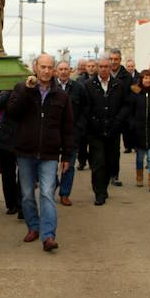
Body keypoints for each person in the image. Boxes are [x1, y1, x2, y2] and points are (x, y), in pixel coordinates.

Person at [7, 54, 74, 251]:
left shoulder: (61, 95)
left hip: (49, 153)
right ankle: (33, 227)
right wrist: (27, 91)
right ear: (35, 67)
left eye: (49, 67)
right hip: (25, 152)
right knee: (27, 195)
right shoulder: (21, 88)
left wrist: (67, 155)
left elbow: (68, 128)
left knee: (46, 193)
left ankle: (48, 235)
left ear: (53, 70)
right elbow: (12, 113)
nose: (46, 71)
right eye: (42, 67)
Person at [85, 55, 130, 205]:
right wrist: (94, 122)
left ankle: (103, 187)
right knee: (98, 162)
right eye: (101, 67)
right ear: (97, 68)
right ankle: (99, 192)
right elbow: (86, 108)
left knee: (110, 162)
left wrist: (117, 121)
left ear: (110, 68)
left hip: (113, 131)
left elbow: (126, 105)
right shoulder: (89, 85)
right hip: (96, 132)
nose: (104, 69)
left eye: (106, 67)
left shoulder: (119, 85)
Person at [54, 60, 87, 206]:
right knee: (49, 164)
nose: (63, 72)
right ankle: (53, 185)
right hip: (53, 133)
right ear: (56, 71)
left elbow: (86, 109)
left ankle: (65, 193)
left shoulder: (78, 88)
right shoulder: (50, 87)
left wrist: (79, 127)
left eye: (66, 69)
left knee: (69, 165)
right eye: (60, 69)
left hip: (72, 133)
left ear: (70, 70)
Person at [0, 90, 22, 218]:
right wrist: (11, 90)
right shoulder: (8, 91)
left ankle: (22, 205)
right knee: (8, 174)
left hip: (24, 138)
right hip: (6, 139)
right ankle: (12, 204)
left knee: (25, 175)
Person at [109, 49, 134, 161]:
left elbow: (129, 98)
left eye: (116, 59)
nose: (113, 62)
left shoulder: (127, 77)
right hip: (104, 116)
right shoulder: (104, 73)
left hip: (120, 117)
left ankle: (114, 174)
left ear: (120, 60)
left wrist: (122, 116)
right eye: (111, 59)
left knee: (114, 148)